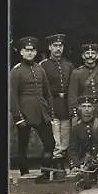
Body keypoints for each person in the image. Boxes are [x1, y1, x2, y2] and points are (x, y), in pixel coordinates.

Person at [10, 36, 56, 175]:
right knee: (23, 146)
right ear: (21, 52)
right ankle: (24, 174)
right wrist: (18, 117)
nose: (30, 53)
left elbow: (47, 92)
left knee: (50, 143)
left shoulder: (40, 69)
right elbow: (12, 96)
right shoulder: (16, 71)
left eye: (32, 50)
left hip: (41, 112)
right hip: (24, 113)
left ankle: (45, 172)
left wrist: (50, 112)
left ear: (36, 52)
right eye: (27, 50)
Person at [39, 33, 74, 166]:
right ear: (50, 47)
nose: (58, 49)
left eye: (60, 46)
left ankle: (62, 165)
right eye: (55, 46)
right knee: (55, 140)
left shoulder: (68, 65)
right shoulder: (43, 65)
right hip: (51, 104)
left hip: (65, 105)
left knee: (65, 138)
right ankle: (55, 166)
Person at [68, 95, 98, 186]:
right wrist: (75, 165)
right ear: (79, 108)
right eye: (84, 106)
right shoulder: (76, 127)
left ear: (93, 108)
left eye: (89, 106)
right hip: (86, 159)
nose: (86, 109)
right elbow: (73, 148)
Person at [68, 43, 98, 122]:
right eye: (87, 53)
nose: (90, 56)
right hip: (83, 111)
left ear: (97, 56)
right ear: (83, 56)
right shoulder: (76, 73)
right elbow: (72, 95)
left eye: (93, 53)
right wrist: (75, 113)